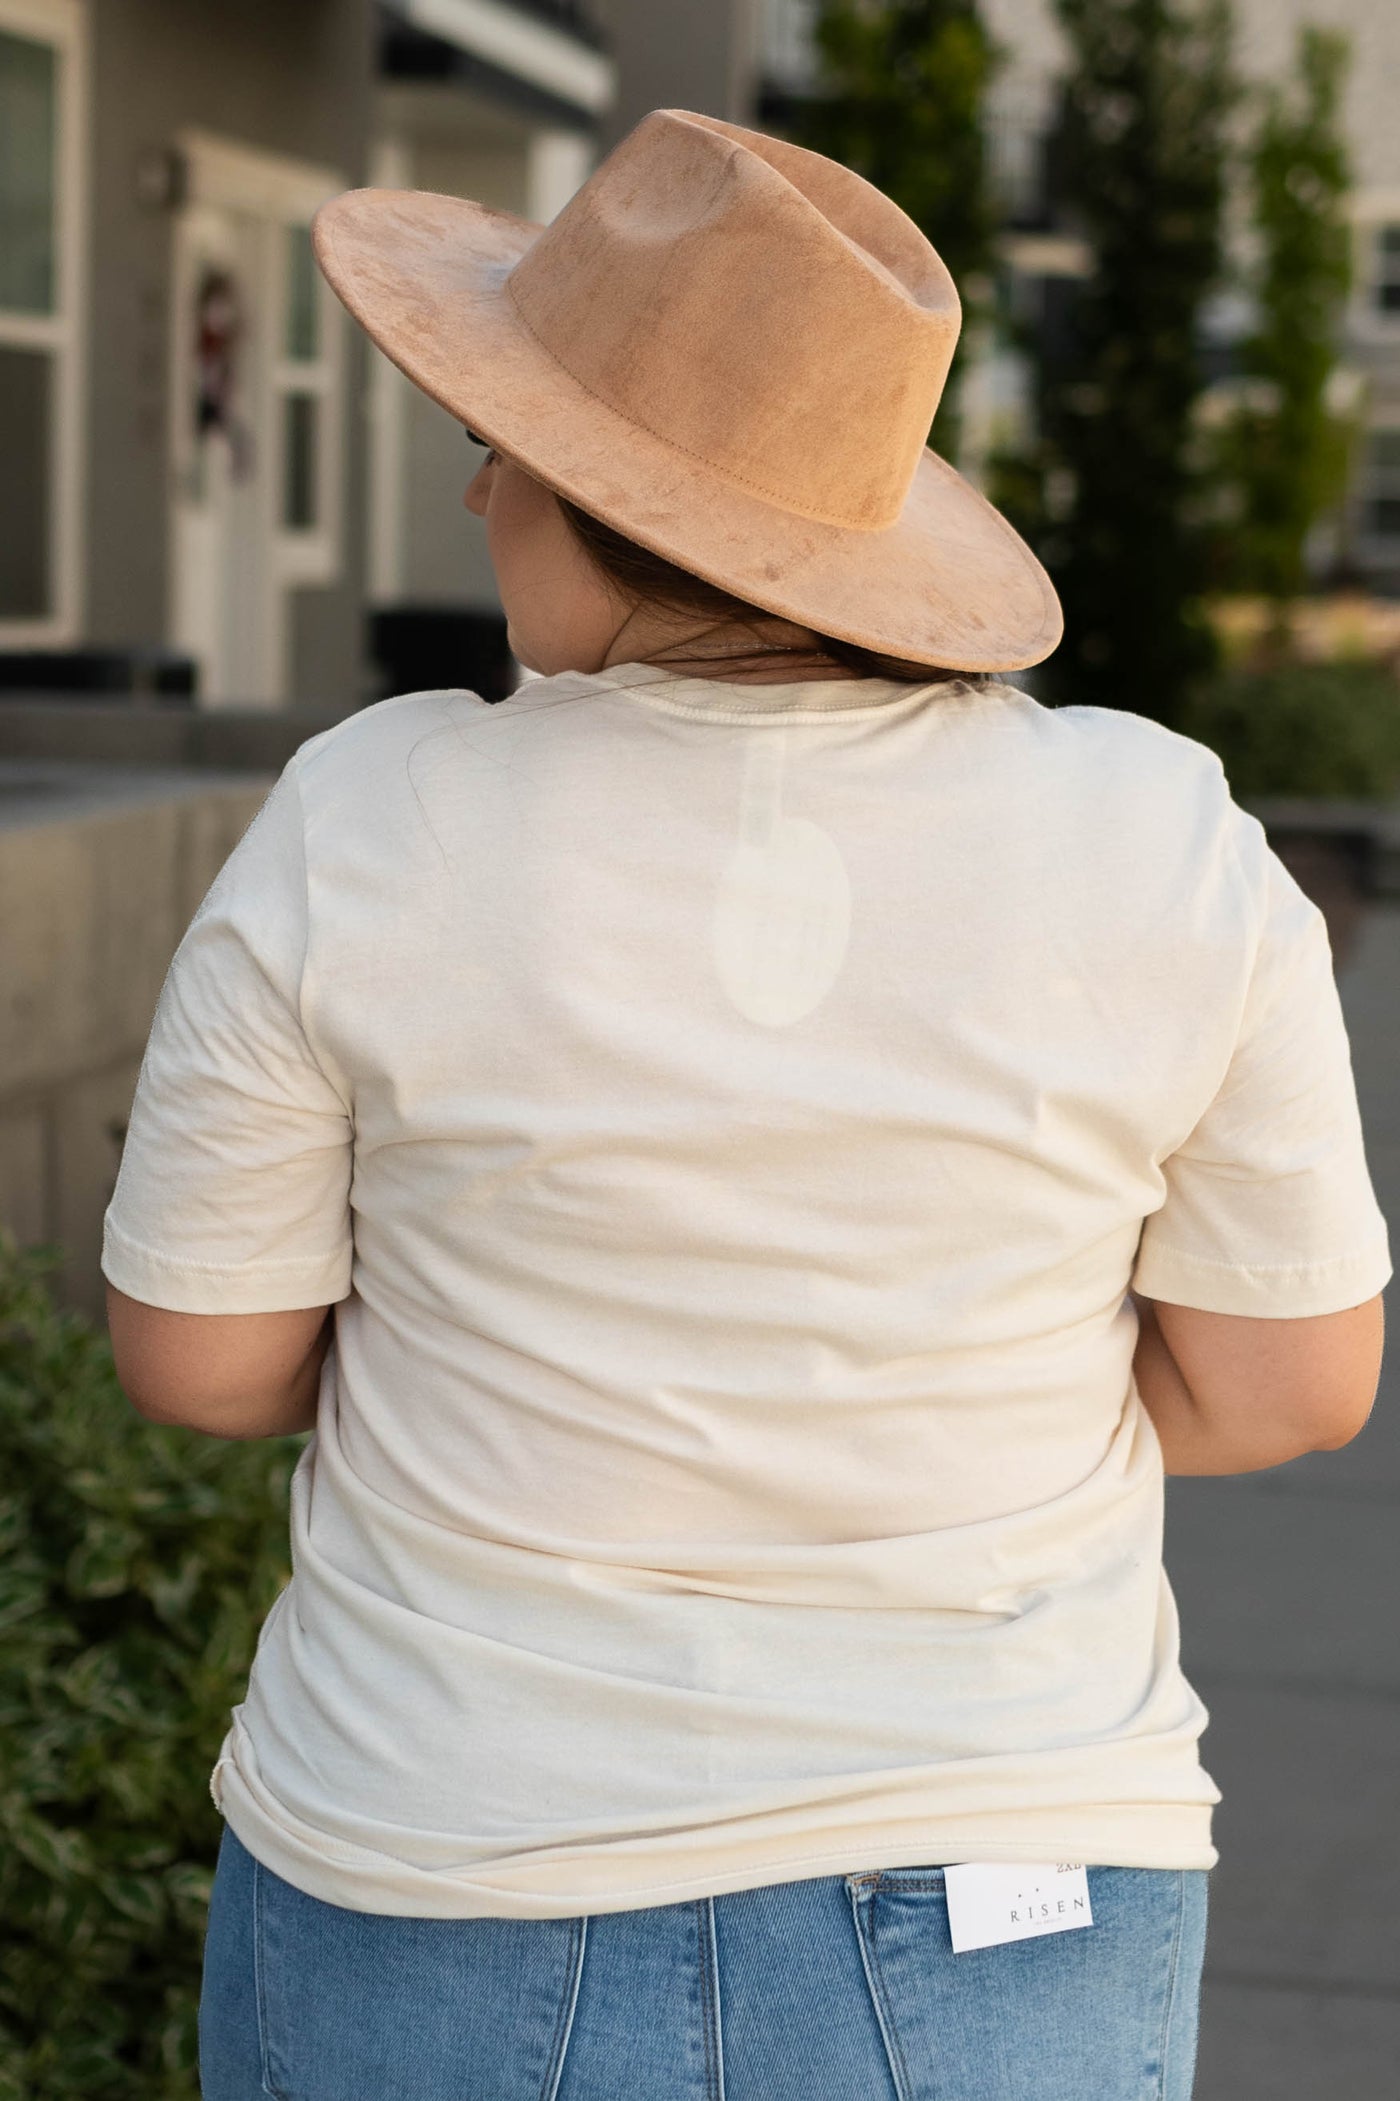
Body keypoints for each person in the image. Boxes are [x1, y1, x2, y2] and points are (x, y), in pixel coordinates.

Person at [103, 110, 1390, 2101]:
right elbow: (1288, 1387)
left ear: (603, 499)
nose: (473, 489)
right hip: (1006, 1866)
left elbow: (199, 1358)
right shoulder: (1159, 832)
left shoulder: (371, 816)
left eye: (503, 441)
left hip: (442, 1856)